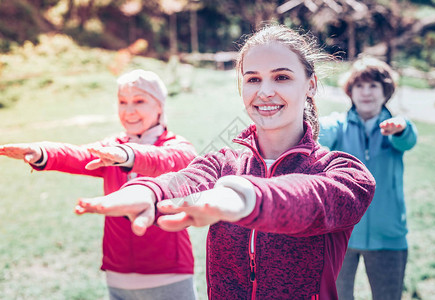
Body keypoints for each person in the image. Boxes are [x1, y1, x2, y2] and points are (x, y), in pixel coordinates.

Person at [75, 25, 376, 300]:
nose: (265, 91)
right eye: (253, 79)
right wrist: (149, 192)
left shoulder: (344, 173)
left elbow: (309, 197)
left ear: (310, 85)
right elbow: (182, 180)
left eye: (282, 77)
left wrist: (243, 198)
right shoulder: (222, 163)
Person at [0, 69, 198, 300]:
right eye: (122, 102)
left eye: (139, 101)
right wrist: (41, 151)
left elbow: (167, 160)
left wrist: (126, 155)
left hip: (168, 271)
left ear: (160, 106)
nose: (129, 110)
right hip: (118, 271)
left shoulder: (177, 147)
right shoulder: (111, 146)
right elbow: (78, 155)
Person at [319, 57, 418, 300]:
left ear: (386, 92)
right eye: (359, 86)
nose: (366, 92)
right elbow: (319, 133)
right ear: (349, 91)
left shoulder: (394, 127)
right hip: (340, 233)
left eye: (373, 86)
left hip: (388, 236)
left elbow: (408, 138)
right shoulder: (338, 125)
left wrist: (401, 127)